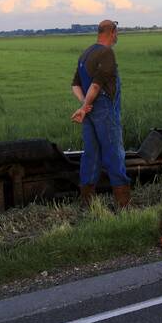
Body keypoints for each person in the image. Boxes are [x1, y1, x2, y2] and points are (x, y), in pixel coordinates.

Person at [70, 19, 131, 209]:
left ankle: (87, 204)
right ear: (112, 32)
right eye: (117, 32)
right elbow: (96, 85)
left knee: (92, 155)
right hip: (104, 110)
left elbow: (75, 85)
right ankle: (124, 205)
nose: (117, 36)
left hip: (89, 111)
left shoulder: (85, 53)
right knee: (114, 153)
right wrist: (86, 105)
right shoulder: (106, 53)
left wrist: (84, 106)